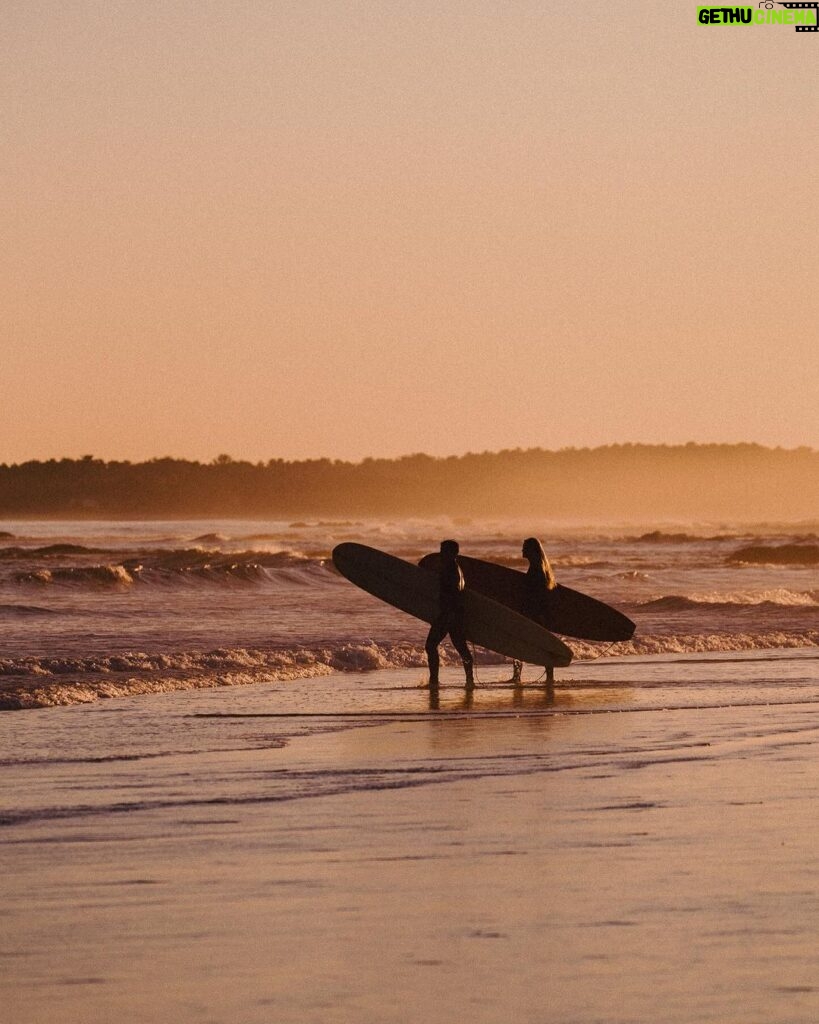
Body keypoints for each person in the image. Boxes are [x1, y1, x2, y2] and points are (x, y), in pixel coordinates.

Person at [425, 539, 474, 689]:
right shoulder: (457, 569)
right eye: (441, 550)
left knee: (430, 645)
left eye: (443, 550)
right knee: (461, 648)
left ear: (453, 553)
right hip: (456, 614)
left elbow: (451, 594)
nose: (440, 553)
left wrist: (446, 615)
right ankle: (470, 681)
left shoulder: (449, 570)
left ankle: (434, 681)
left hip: (448, 614)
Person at [512, 536, 557, 684]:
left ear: (532, 550)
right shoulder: (539, 567)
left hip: (534, 614)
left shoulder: (536, 569)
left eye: (525, 547)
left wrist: (529, 613)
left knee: (520, 644)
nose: (522, 550)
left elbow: (536, 595)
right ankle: (548, 677)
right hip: (537, 614)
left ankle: (518, 676)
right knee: (535, 645)